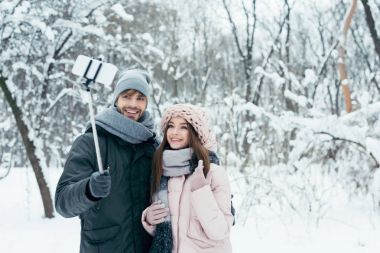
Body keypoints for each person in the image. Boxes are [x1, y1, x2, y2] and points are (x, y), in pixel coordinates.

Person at [55, 69, 157, 253]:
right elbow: (63, 202)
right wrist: (89, 189)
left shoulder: (152, 145)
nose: (133, 104)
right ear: (116, 99)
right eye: (127, 96)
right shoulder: (91, 142)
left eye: (140, 98)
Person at [141, 104, 233, 253]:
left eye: (183, 127)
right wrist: (150, 220)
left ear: (195, 133)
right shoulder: (161, 170)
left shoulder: (213, 172)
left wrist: (201, 191)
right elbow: (172, 233)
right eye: (171, 126)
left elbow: (220, 232)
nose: (175, 132)